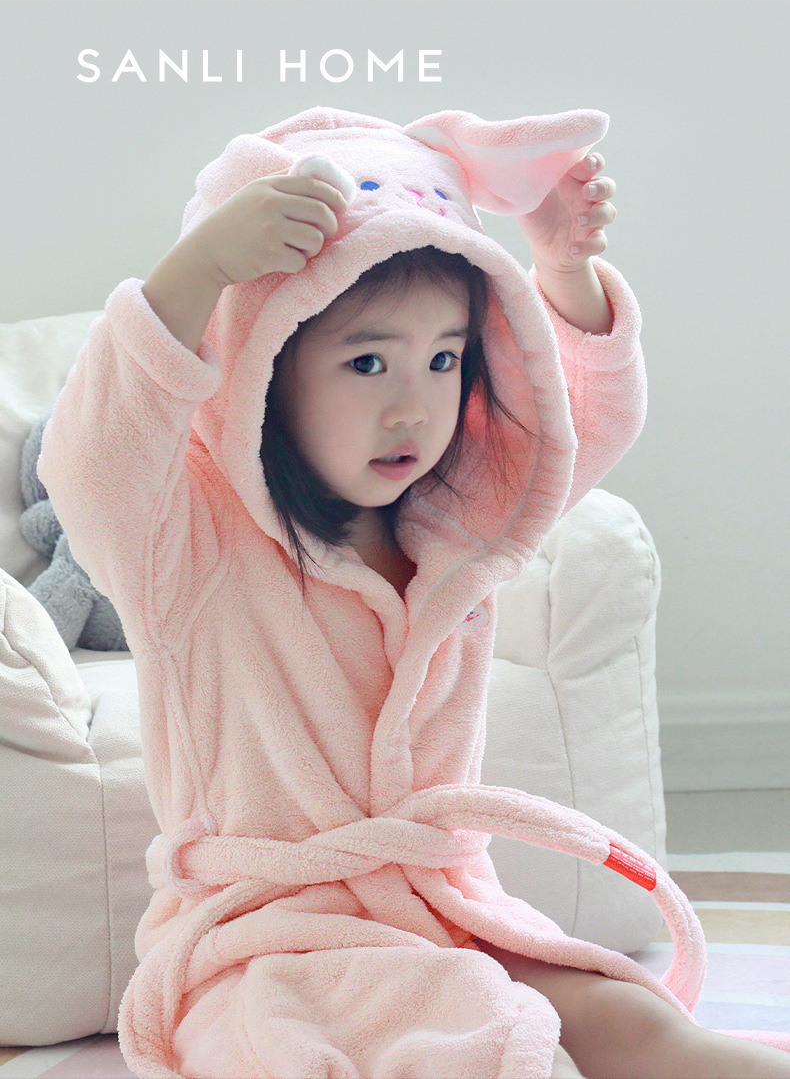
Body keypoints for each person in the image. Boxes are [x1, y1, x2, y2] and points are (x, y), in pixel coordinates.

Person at [38, 107, 790, 1079]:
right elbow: (94, 461)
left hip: (446, 912)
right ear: (266, 372)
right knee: (434, 1049)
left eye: (444, 359)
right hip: (267, 944)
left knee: (640, 1027)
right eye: (367, 362)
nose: (413, 406)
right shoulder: (194, 543)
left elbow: (583, 419)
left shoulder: (457, 523)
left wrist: (561, 271)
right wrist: (201, 270)